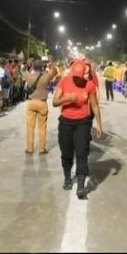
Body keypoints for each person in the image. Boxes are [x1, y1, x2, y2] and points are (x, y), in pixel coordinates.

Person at [53, 59, 103, 200]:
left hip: (83, 122)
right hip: (66, 122)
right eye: (74, 75)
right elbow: (55, 102)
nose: (76, 78)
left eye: (79, 76)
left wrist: (99, 124)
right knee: (66, 152)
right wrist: (67, 98)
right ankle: (67, 178)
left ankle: (81, 186)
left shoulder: (90, 85)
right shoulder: (64, 81)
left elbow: (94, 106)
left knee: (82, 153)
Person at [23, 58, 56, 155]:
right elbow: (55, 71)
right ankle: (42, 149)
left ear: (33, 67)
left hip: (31, 102)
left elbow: (23, 70)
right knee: (42, 127)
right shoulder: (46, 76)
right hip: (42, 103)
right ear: (42, 67)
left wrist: (28, 63)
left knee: (30, 127)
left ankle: (29, 148)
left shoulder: (29, 76)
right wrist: (51, 63)